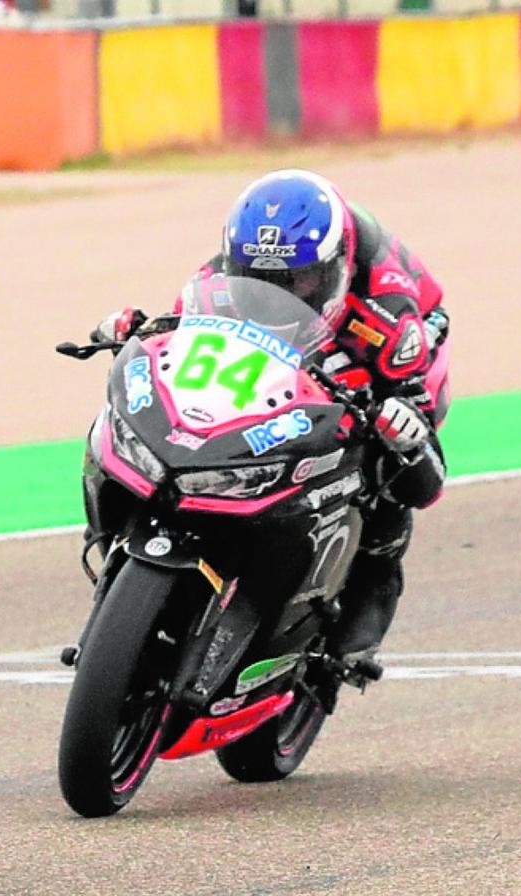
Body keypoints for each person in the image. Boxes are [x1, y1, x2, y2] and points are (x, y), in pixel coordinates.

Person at [97, 169, 449, 673]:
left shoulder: (388, 319)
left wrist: (403, 423)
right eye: (257, 278)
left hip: (397, 344)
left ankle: (372, 590)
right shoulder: (215, 280)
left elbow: (427, 477)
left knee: (385, 467)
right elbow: (178, 344)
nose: (275, 291)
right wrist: (140, 328)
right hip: (293, 344)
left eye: (297, 280)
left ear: (334, 268)